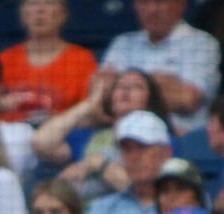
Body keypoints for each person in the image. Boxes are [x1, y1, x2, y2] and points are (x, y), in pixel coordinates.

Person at [102, 0, 222, 129]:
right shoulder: (123, 43)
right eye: (144, 3)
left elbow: (187, 99)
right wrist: (163, 85)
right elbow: (102, 96)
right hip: (122, 136)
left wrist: (125, 94)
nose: (152, 10)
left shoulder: (202, 43)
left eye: (160, 2)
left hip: (179, 138)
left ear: (181, 5)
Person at [31, 66, 167, 179]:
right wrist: (91, 102)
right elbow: (41, 143)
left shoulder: (159, 138)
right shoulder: (91, 136)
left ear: (150, 101)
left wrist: (98, 164)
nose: (126, 90)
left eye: (137, 86)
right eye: (119, 86)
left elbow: (148, 189)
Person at [79, 110, 174, 214]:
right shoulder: (101, 209)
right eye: (126, 150)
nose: (134, 157)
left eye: (142, 148)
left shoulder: (185, 202)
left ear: (166, 152)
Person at [1, 0, 96, 124]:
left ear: (63, 15)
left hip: (64, 136)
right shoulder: (4, 59)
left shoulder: (82, 59)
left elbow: (90, 116)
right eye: (33, 3)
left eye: (49, 3)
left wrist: (57, 120)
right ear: (23, 15)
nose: (40, 10)